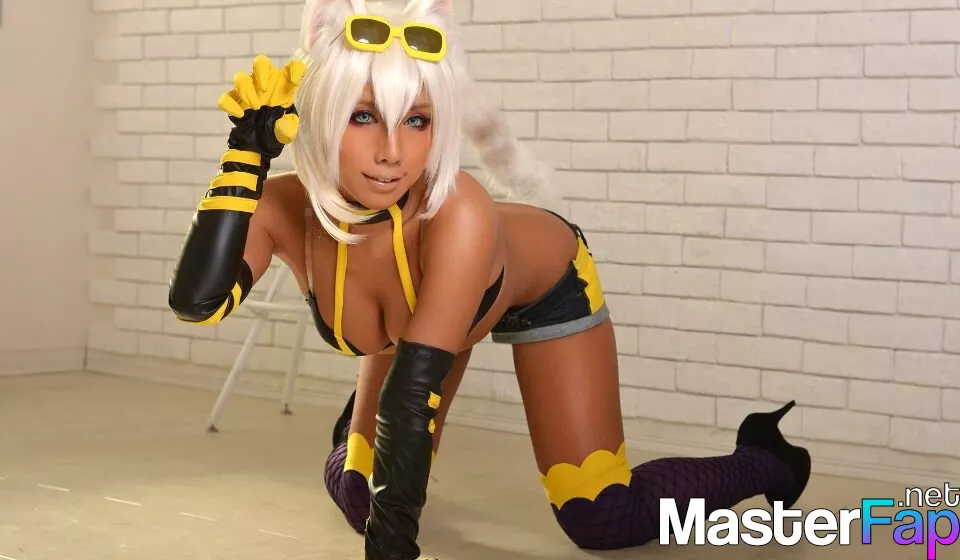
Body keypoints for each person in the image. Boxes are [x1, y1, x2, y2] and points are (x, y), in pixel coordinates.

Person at [167, 0, 812, 558]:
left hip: (541, 285)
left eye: (417, 120)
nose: (393, 151)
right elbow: (198, 303)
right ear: (318, 113)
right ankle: (357, 433)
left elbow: (412, 395)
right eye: (363, 117)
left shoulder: (459, 211)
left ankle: (765, 457)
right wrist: (244, 155)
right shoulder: (283, 205)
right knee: (363, 497)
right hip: (421, 320)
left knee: (601, 515)